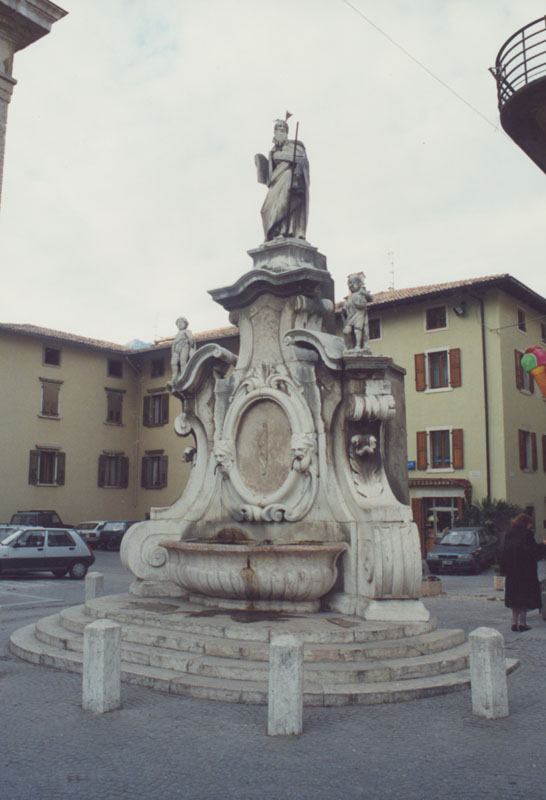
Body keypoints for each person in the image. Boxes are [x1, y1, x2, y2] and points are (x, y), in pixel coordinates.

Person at [255, 119, 309, 241]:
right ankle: (275, 232)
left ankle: (283, 230)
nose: (281, 131)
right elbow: (269, 174)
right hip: (276, 181)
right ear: (274, 132)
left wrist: (298, 169)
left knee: (284, 204)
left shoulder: (295, 147)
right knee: (266, 210)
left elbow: (302, 160)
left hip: (289, 177)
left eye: (284, 129)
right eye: (279, 129)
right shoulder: (273, 152)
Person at [499, 513, 546, 631]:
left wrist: (503, 570)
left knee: (514, 599)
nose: (531, 526)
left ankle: (514, 622)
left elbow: (503, 553)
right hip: (526, 572)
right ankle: (523, 623)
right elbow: (534, 553)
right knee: (524, 598)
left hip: (512, 572)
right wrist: (544, 545)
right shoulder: (527, 535)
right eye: (530, 523)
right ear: (526, 523)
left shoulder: (509, 534)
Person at [342, 272, 373, 352]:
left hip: (359, 313)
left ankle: (358, 346)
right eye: (349, 283)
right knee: (346, 331)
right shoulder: (350, 296)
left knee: (357, 329)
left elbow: (370, 298)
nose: (351, 285)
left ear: (359, 283)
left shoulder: (361, 291)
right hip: (350, 316)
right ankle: (349, 347)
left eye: (353, 283)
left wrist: (364, 293)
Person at [170, 317, 196, 381]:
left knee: (183, 361)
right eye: (178, 322)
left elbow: (191, 339)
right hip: (176, 349)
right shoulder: (178, 333)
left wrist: (186, 341)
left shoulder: (187, 331)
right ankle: (175, 375)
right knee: (173, 363)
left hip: (184, 346)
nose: (180, 324)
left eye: (181, 322)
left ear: (185, 324)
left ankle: (183, 375)